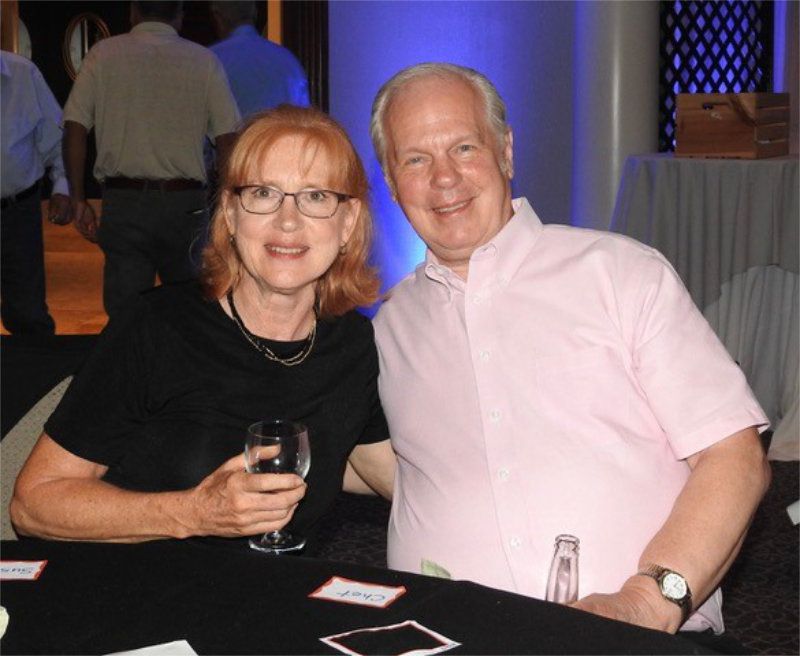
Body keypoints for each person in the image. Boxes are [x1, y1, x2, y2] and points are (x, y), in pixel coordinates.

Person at [367, 63, 771, 640]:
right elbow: (369, 457)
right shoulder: (388, 329)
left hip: (636, 637)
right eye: (415, 159)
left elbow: (734, 456)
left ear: (505, 151)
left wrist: (647, 601)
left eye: (463, 146)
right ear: (389, 179)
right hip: (445, 638)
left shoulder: (620, 274)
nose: (444, 179)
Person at [10, 105, 394, 552]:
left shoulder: (351, 346)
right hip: (137, 599)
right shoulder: (156, 327)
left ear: (347, 224)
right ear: (230, 215)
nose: (288, 221)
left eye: (316, 196)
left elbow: (385, 470)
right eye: (264, 193)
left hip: (276, 605)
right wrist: (193, 511)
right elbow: (33, 503)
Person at [62, 0, 240, 318]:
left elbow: (75, 126)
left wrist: (77, 196)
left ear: (133, 12)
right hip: (185, 203)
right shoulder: (203, 60)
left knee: (126, 313)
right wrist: (226, 199)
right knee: (190, 310)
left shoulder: (103, 55)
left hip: (124, 200)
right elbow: (228, 138)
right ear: (180, 16)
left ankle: (129, 365)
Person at [0, 51, 70, 335]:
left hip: (16, 211)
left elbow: (56, 137)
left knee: (27, 313)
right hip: (17, 210)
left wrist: (63, 186)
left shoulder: (22, 74)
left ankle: (35, 378)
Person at [210, 0, 310, 117]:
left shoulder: (211, 60)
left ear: (217, 17)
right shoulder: (288, 61)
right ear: (255, 13)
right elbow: (303, 118)